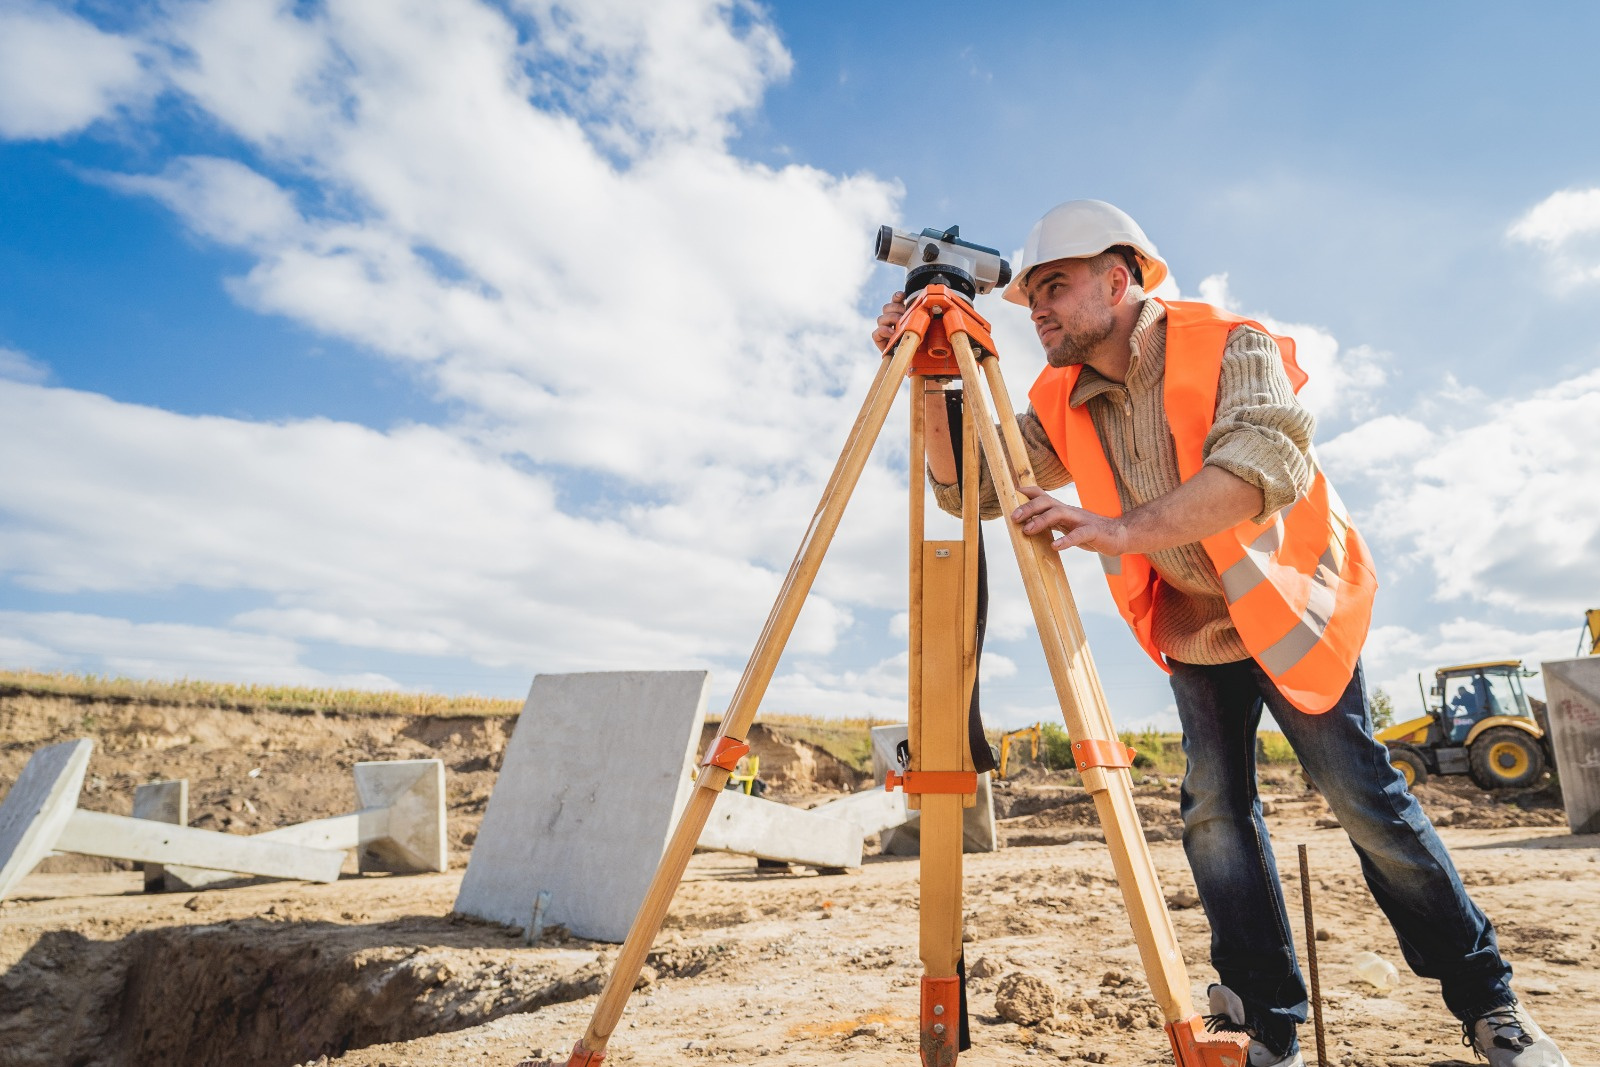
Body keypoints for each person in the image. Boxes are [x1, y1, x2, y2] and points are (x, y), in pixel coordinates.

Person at [871, 200, 1568, 1067]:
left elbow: (1259, 467)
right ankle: (1264, 1022)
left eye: (1055, 286)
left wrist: (1120, 529)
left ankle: (1490, 1004)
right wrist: (933, 378)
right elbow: (965, 487)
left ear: (1118, 281)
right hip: (1196, 626)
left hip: (1289, 607)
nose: (1037, 308)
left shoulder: (1232, 343)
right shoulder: (1062, 394)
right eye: (1030, 294)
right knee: (1212, 814)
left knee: (1364, 799)